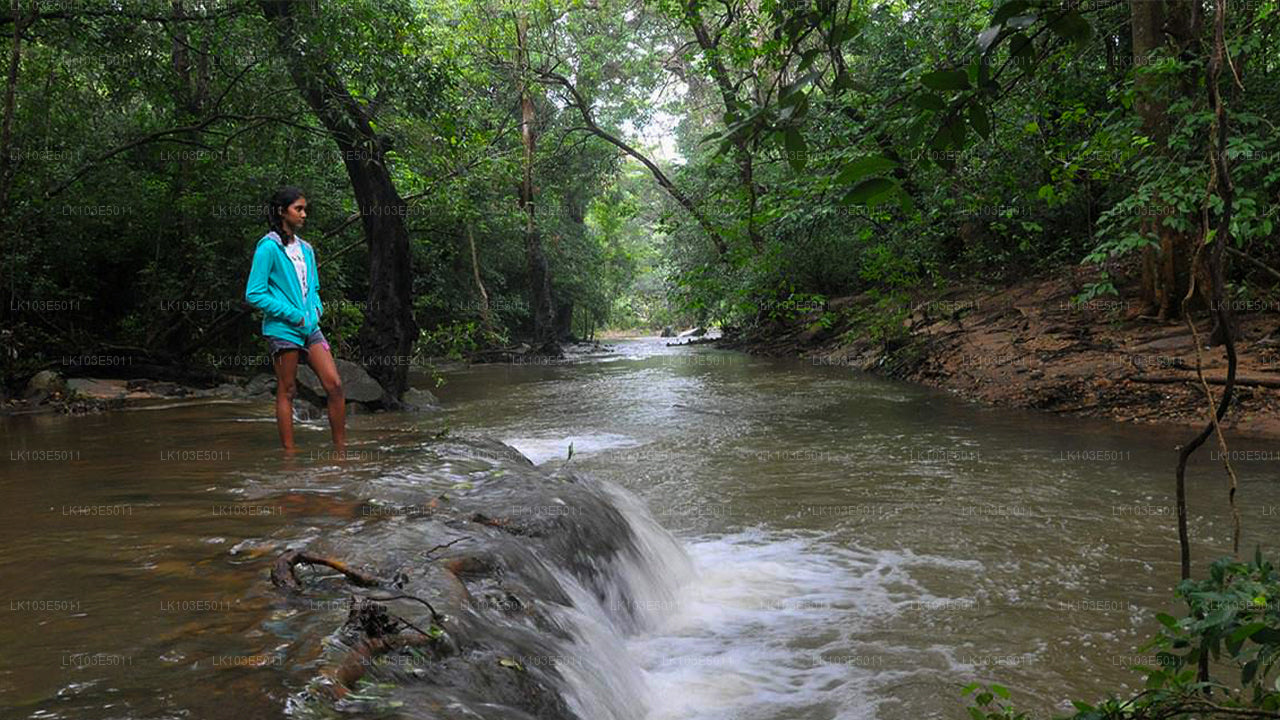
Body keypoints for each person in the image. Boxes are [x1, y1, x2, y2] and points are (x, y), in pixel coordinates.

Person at [244, 186, 345, 451]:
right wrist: (293, 315)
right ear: (281, 211)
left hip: (310, 328)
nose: (304, 214)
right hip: (282, 328)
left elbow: (313, 288)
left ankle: (341, 452)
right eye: (298, 209)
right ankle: (290, 455)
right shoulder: (268, 247)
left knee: (334, 385)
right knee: (287, 390)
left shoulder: (307, 249)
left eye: (305, 209)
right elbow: (254, 293)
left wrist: (316, 309)